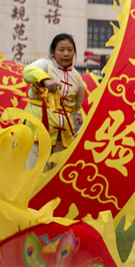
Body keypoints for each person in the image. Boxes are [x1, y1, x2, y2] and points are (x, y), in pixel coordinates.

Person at [22, 34, 86, 170]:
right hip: (38, 133)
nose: (66, 54)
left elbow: (76, 107)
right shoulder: (44, 65)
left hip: (63, 137)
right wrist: (45, 80)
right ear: (52, 52)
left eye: (70, 50)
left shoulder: (78, 79)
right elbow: (27, 72)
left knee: (56, 179)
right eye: (61, 50)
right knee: (35, 175)